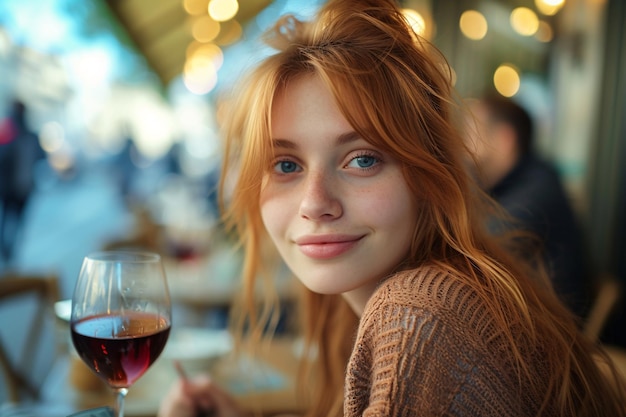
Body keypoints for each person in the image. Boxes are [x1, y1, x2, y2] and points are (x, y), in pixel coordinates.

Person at [159, 1, 626, 416]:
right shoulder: (374, 304)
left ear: (429, 175)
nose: (315, 203)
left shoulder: (421, 320)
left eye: (362, 159)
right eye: (285, 164)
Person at [463, 93, 592, 320]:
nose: (463, 144)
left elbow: (476, 247)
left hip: (551, 333)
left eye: (471, 131)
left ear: (504, 140)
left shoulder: (539, 190)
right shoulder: (503, 183)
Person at [0, 99, 45, 265]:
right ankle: (7, 250)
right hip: (12, 187)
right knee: (8, 221)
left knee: (14, 221)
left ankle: (9, 250)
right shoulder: (9, 133)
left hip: (22, 187)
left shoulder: (22, 134)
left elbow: (41, 156)